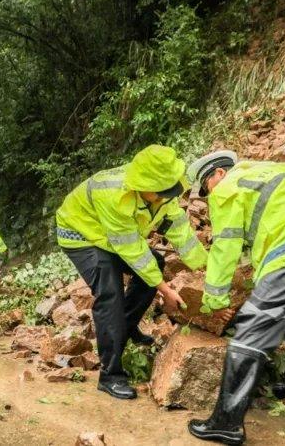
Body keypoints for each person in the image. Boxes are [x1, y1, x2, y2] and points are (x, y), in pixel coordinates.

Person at [185, 151, 285, 445]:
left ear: (218, 174)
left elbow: (225, 248)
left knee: (252, 329)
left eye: (205, 186)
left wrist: (214, 299)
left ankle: (226, 423)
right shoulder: (263, 175)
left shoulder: (226, 189)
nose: (208, 195)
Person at [56, 144, 208, 399]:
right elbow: (132, 251)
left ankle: (125, 327)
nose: (162, 198)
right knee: (110, 291)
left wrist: (204, 268)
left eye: (166, 193)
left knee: (155, 265)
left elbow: (178, 228)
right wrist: (165, 290)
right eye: (157, 194)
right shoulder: (114, 195)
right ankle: (110, 374)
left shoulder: (164, 188)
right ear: (141, 185)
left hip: (113, 237)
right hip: (82, 234)